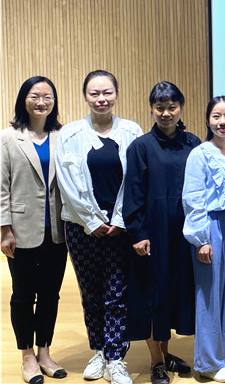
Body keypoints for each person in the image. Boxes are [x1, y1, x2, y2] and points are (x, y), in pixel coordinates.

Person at [56, 70, 142, 384]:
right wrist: (92, 221)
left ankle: (116, 357)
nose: (101, 99)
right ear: (85, 96)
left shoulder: (131, 131)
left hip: (121, 227)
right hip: (81, 227)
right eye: (94, 93)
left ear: (116, 94)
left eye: (107, 92)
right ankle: (99, 350)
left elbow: (135, 180)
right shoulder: (70, 133)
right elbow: (66, 184)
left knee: (117, 293)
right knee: (90, 291)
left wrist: (118, 220)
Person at [122, 82, 200, 384]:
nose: (166, 113)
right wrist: (138, 233)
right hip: (152, 233)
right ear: (151, 109)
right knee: (153, 294)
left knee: (173, 293)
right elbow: (133, 194)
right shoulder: (140, 146)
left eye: (171, 107)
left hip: (184, 232)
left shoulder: (193, 143)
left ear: (180, 107)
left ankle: (166, 354)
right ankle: (156, 360)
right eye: (159, 107)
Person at [1, 77, 67, 384]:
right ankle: (27, 355)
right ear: (23, 100)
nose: (41, 102)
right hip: (21, 229)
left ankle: (44, 352)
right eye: (34, 96)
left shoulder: (62, 137)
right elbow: (1, 188)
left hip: (58, 230)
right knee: (23, 295)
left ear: (54, 101)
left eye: (47, 97)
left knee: (51, 294)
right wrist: (4, 229)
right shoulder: (7, 138)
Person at [182, 96, 225, 383]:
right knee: (209, 294)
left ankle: (224, 354)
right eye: (217, 116)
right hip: (211, 225)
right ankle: (208, 363)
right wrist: (201, 239)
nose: (223, 122)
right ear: (208, 120)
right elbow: (193, 198)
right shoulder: (200, 154)